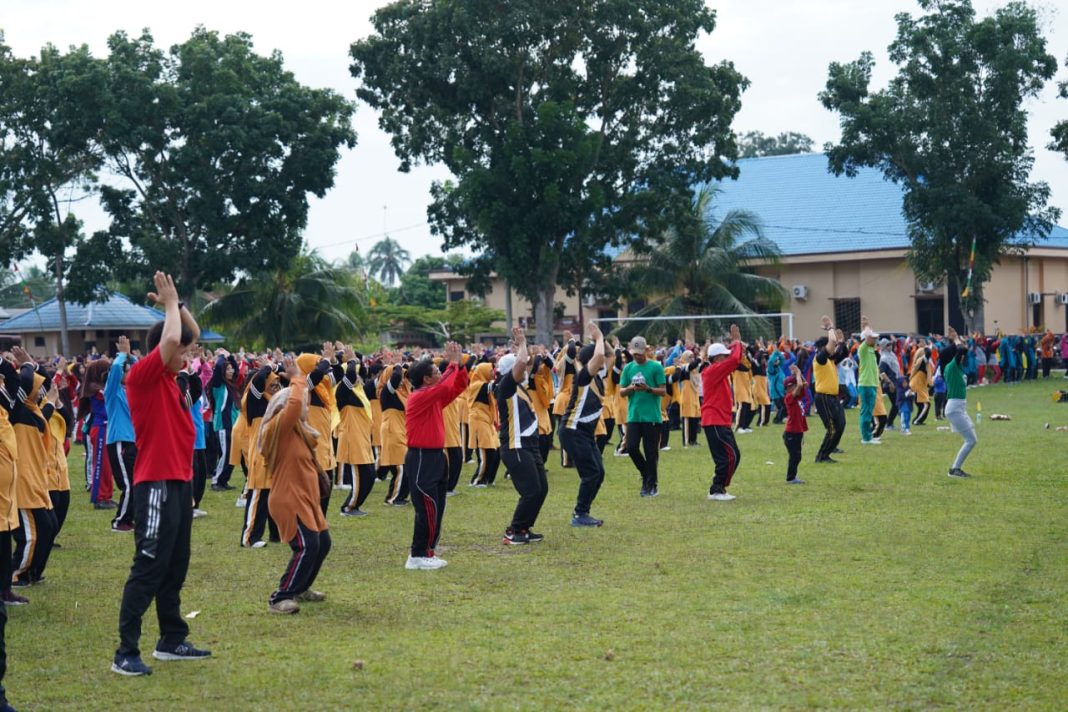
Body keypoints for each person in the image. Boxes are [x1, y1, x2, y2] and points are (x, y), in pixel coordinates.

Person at [113, 272, 210, 676]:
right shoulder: (143, 377)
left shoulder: (173, 380)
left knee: (176, 564)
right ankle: (125, 652)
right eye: (184, 354)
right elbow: (171, 340)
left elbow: (186, 335)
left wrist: (179, 305)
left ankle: (171, 639)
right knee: (149, 564)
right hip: (154, 484)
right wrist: (169, 307)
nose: (189, 357)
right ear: (159, 353)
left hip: (178, 482)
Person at [261, 359, 332, 614]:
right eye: (300, 403)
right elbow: (292, 406)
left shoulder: (299, 430)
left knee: (323, 543)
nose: (304, 407)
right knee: (306, 546)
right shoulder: (278, 428)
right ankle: (281, 596)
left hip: (306, 499)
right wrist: (297, 378)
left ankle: (301, 588)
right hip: (288, 499)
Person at [403, 341, 468, 570]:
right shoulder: (420, 396)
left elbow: (456, 388)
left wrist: (458, 367)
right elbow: (444, 387)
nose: (440, 373)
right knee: (428, 506)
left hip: (436, 457)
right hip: (421, 457)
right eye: (436, 371)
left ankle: (427, 552)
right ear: (426, 379)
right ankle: (418, 555)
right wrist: (452, 364)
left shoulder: (432, 395)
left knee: (438, 506)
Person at [496, 327, 549, 544]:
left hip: (529, 445)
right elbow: (520, 364)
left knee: (542, 489)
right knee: (531, 490)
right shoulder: (505, 387)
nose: (527, 368)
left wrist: (521, 348)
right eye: (521, 367)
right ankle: (514, 531)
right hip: (516, 446)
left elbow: (526, 362)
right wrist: (523, 343)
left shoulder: (520, 387)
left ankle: (525, 528)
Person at [559, 322, 609, 526]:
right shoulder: (583, 377)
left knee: (599, 472)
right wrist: (598, 338)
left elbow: (608, 356)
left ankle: (583, 512)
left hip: (584, 433)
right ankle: (580, 515)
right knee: (591, 473)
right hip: (573, 431)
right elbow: (598, 357)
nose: (603, 361)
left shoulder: (597, 378)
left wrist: (602, 341)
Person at [619, 336, 667, 497]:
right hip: (634, 416)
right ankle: (646, 474)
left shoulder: (655, 367)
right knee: (631, 447)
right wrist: (631, 388)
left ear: (646, 351)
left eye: (639, 353)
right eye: (634, 354)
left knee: (651, 452)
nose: (637, 357)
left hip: (652, 417)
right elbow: (621, 391)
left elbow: (663, 391)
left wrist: (647, 389)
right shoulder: (628, 368)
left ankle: (651, 485)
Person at [701, 325, 744, 501]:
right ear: (717, 358)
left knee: (730, 456)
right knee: (730, 456)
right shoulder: (712, 371)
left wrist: (735, 345)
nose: (726, 358)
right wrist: (736, 342)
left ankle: (718, 488)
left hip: (718, 421)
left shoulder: (717, 371)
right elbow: (735, 360)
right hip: (714, 420)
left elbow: (735, 360)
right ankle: (717, 489)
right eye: (723, 355)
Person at [335, 348, 377, 516]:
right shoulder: (342, 392)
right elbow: (351, 375)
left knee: (370, 474)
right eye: (355, 374)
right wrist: (352, 361)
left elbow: (363, 374)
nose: (359, 377)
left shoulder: (359, 392)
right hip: (352, 437)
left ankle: (354, 505)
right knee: (361, 475)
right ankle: (348, 507)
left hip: (363, 438)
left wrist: (357, 362)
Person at [105, 336, 137, 532]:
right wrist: (122, 355)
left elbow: (143, 371)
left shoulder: (131, 391)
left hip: (133, 441)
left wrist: (132, 358)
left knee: (136, 482)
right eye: (128, 371)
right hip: (118, 441)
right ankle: (120, 521)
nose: (131, 373)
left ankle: (129, 518)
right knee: (128, 484)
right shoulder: (113, 391)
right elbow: (116, 370)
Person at [940, 327, 978, 478]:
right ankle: (955, 469)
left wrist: (958, 340)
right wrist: (956, 338)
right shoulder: (951, 367)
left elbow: (964, 349)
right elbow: (962, 349)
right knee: (971, 440)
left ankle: (955, 469)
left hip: (959, 407)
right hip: (954, 408)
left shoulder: (958, 368)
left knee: (971, 438)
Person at [813, 319, 847, 463]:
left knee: (841, 424)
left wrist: (841, 342)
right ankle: (821, 456)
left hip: (832, 398)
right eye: (829, 346)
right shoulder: (820, 358)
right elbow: (832, 342)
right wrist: (830, 328)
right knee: (833, 428)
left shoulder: (830, 360)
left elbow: (843, 352)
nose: (832, 349)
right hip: (824, 398)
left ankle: (829, 450)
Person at [465, 362, 500, 487]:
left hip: (487, 421)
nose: (493, 373)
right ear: (483, 372)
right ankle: (478, 480)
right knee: (485, 451)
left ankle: (488, 479)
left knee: (496, 451)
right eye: (491, 371)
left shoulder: (484, 384)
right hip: (479, 420)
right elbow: (493, 387)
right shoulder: (477, 385)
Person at [856, 318, 881, 445]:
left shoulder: (871, 349)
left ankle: (868, 435)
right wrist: (865, 326)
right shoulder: (863, 349)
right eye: (872, 338)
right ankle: (866, 438)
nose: (875, 339)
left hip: (871, 384)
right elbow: (867, 337)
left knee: (869, 411)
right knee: (866, 411)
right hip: (865, 384)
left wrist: (868, 326)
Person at [782, 363, 808, 485]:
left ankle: (793, 476)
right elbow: (799, 385)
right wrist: (797, 373)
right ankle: (790, 478)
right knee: (795, 456)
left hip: (797, 432)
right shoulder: (789, 398)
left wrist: (799, 374)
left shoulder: (797, 397)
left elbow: (804, 384)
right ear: (789, 388)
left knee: (797, 456)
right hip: (791, 433)